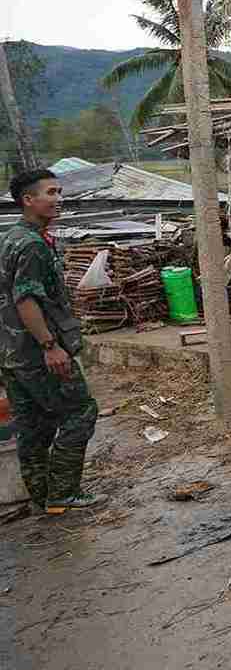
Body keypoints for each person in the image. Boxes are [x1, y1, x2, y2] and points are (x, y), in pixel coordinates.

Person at [0, 169, 104, 515]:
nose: (58, 199)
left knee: (32, 425)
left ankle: (43, 496)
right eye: (50, 193)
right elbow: (26, 299)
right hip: (36, 352)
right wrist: (50, 346)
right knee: (81, 411)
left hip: (12, 352)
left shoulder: (12, 237)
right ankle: (63, 492)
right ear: (28, 200)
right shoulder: (31, 245)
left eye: (59, 192)